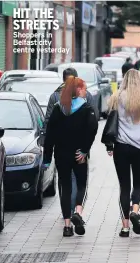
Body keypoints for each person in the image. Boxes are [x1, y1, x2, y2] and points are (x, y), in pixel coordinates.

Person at [105, 69, 140, 237]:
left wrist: (109, 145)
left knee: (124, 187)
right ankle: (135, 209)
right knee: (138, 184)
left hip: (121, 147)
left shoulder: (116, 98)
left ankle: (125, 227)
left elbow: (110, 123)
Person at [44, 77, 98, 237]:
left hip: (61, 154)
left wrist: (47, 158)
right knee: (81, 184)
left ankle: (67, 226)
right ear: (79, 90)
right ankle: (78, 212)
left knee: (65, 187)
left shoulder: (57, 108)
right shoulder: (87, 108)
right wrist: (85, 150)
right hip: (78, 155)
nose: (85, 92)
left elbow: (49, 136)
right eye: (84, 89)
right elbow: (93, 129)